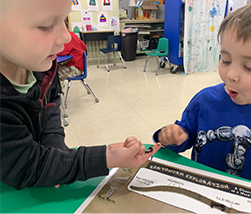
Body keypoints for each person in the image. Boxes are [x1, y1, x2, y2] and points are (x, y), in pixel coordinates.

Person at [0, 0, 161, 190]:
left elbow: (51, 106)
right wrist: (106, 157)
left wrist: (56, 156)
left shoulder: (42, 69)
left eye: (64, 21)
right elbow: (27, 166)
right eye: (45, 25)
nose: (66, 37)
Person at [153, 0, 251, 189]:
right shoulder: (205, 100)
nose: (231, 75)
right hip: (202, 193)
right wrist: (174, 137)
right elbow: (186, 135)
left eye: (249, 67)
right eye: (225, 60)